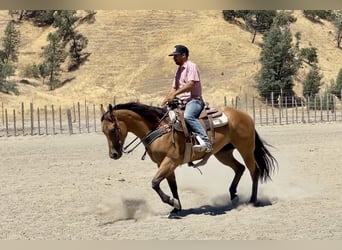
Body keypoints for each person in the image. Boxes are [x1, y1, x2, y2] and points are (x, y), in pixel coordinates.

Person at [163, 45, 212, 153]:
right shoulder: (178, 70)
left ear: (184, 55)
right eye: (173, 56)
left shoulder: (191, 66)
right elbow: (174, 87)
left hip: (194, 101)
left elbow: (191, 84)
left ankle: (206, 142)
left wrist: (175, 94)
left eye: (176, 56)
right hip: (181, 102)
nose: (174, 58)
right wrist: (166, 99)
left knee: (188, 116)